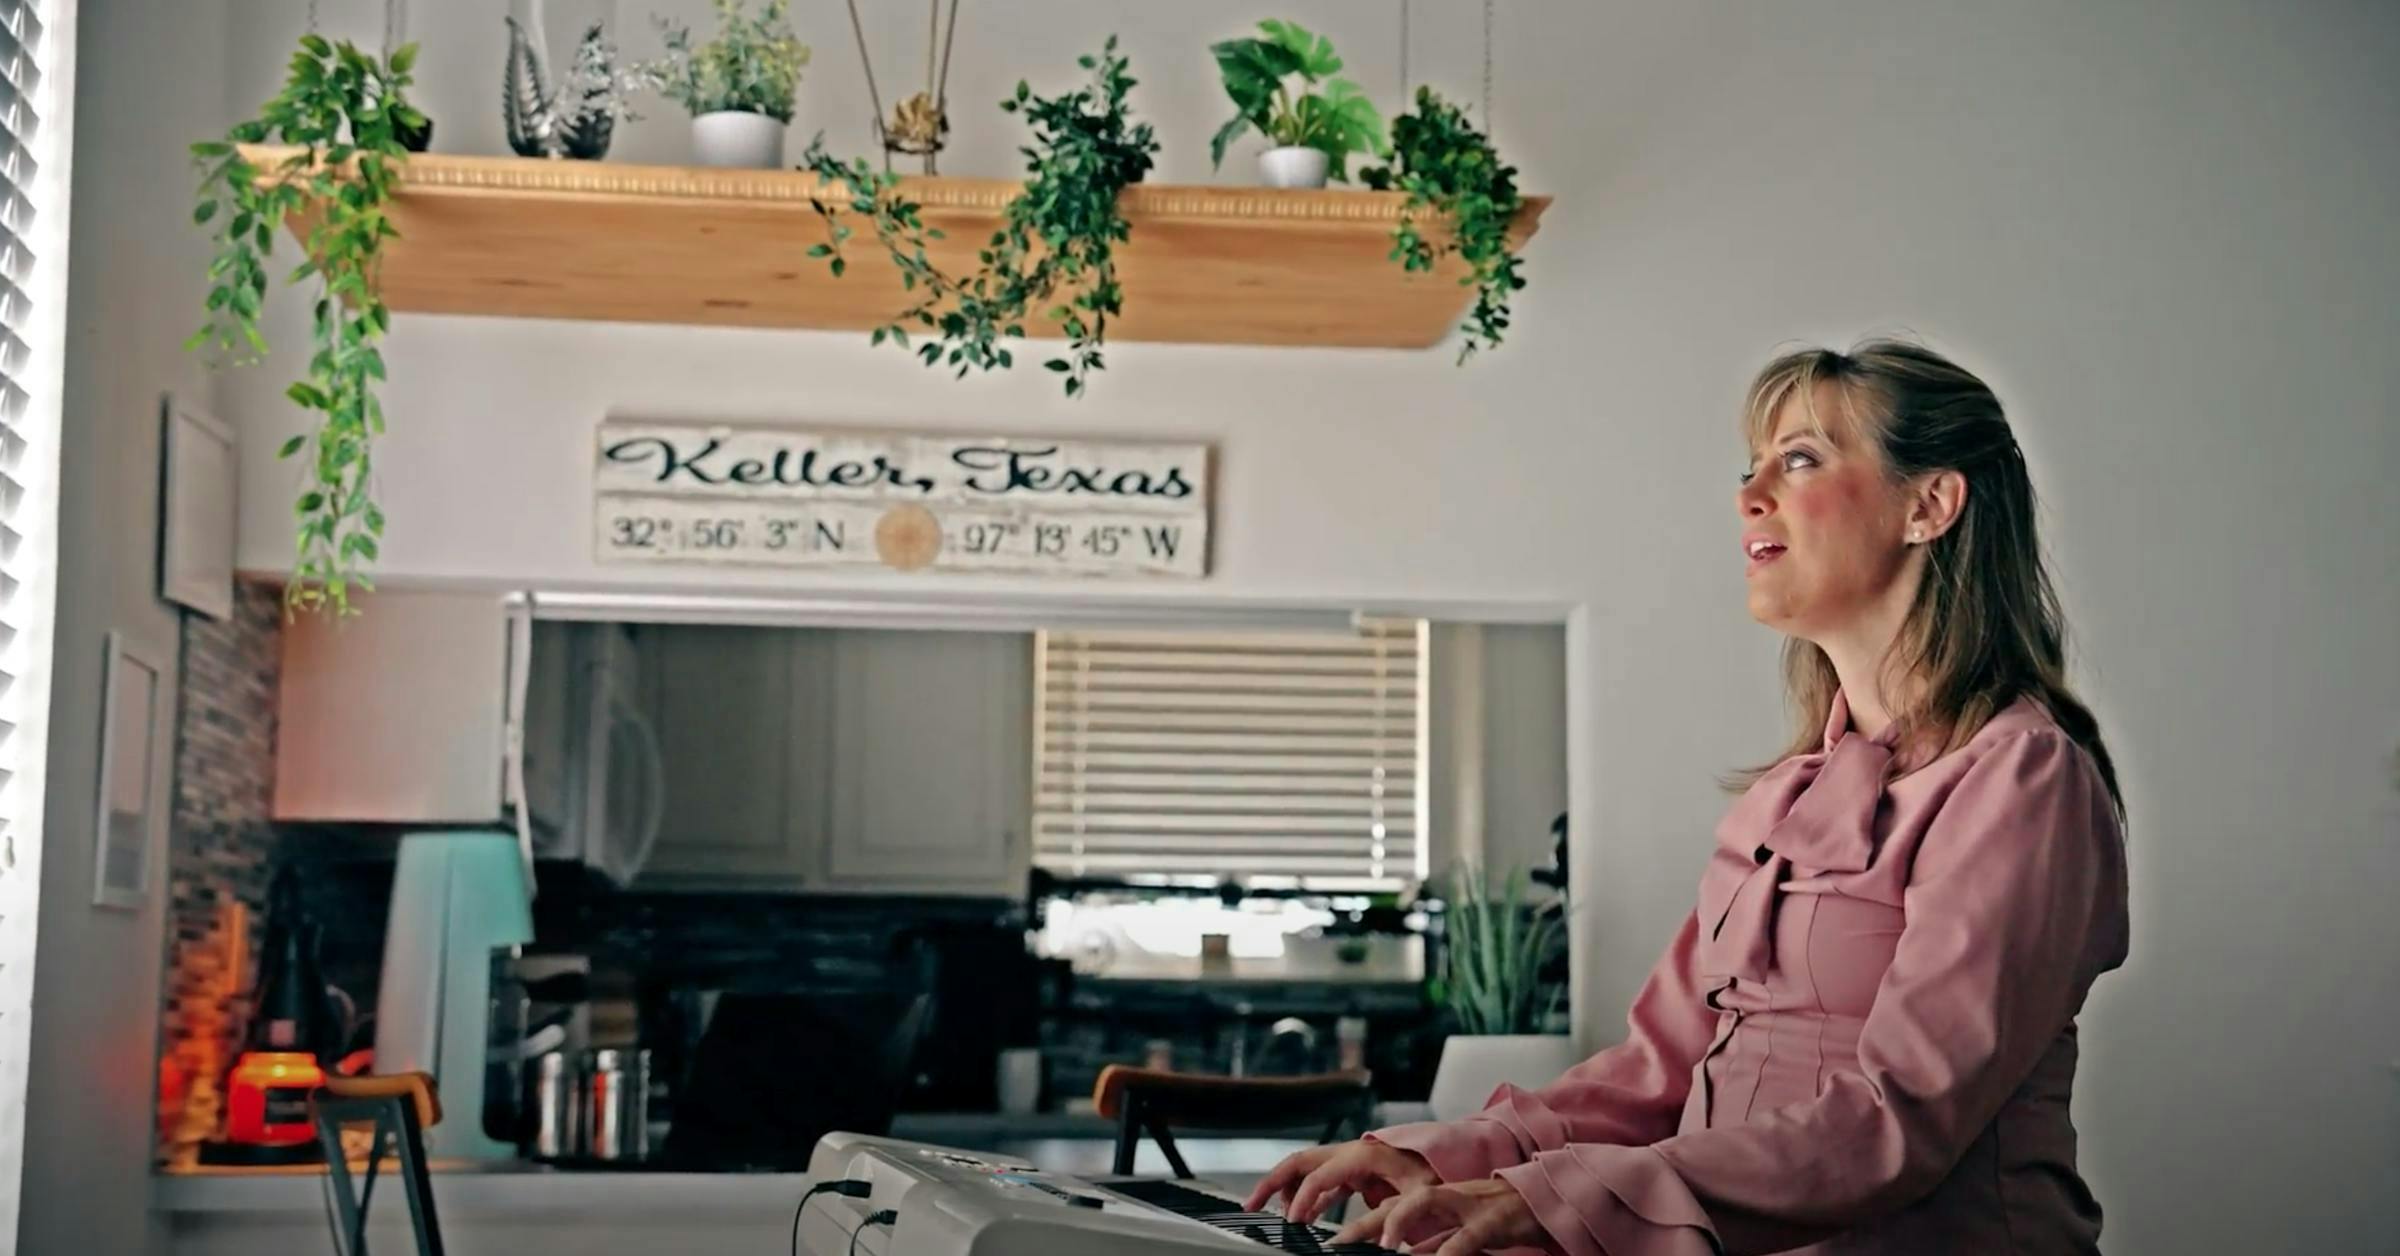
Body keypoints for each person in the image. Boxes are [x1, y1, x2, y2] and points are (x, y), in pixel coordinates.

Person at [1247, 340, 2131, 1255]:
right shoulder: (1785, 797)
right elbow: (1658, 1074)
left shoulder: (2025, 779)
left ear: (1929, 505)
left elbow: (1899, 1119)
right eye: (1752, 468)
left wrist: (1552, 1200)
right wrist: (1443, 1155)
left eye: (1800, 459)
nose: (1750, 495)